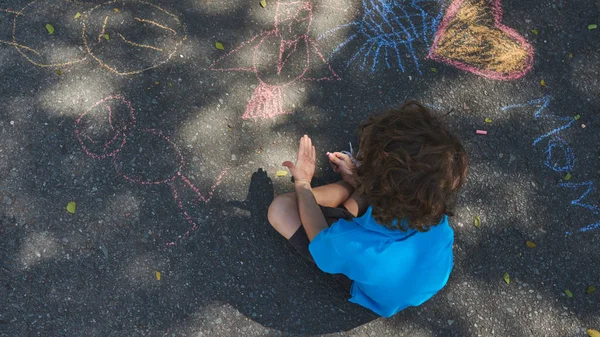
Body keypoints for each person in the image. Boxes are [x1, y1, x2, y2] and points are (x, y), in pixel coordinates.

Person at [267, 101, 468, 318]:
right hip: (420, 278)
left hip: (372, 284)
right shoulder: (431, 205)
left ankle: (356, 187)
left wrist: (303, 183)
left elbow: (320, 240)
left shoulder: (352, 244)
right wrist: (363, 180)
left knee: (280, 209)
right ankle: (360, 184)